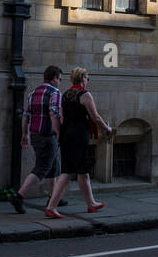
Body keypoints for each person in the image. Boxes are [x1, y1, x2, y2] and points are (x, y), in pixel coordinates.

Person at [45, 67, 113, 218]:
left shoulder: (65, 95)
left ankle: (91, 204)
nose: (88, 81)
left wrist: (59, 136)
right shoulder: (84, 95)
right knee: (69, 171)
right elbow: (95, 117)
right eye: (87, 78)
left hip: (67, 135)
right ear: (83, 78)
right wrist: (107, 128)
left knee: (81, 171)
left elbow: (61, 118)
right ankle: (51, 206)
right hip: (78, 135)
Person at [8, 66, 66, 213]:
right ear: (54, 78)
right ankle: (18, 196)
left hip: (35, 135)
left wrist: (24, 134)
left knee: (53, 167)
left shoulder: (33, 93)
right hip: (48, 136)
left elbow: (26, 115)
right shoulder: (55, 92)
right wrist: (58, 133)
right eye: (59, 78)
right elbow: (54, 114)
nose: (60, 81)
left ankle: (53, 198)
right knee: (41, 169)